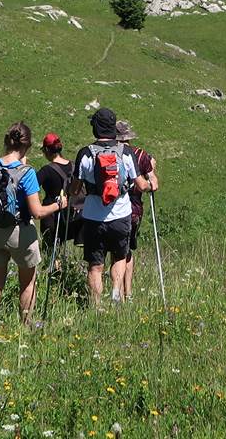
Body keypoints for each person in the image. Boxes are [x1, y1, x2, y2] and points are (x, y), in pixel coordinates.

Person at [0, 122, 65, 329]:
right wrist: (59, 204)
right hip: (19, 230)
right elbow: (37, 212)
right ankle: (26, 326)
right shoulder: (27, 172)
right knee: (27, 282)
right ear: (27, 146)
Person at [71, 108, 154, 307]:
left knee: (95, 265)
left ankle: (97, 307)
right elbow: (141, 185)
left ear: (96, 128)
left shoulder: (85, 154)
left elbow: (75, 190)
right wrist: (152, 184)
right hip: (121, 214)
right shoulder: (125, 152)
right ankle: (117, 296)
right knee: (119, 257)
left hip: (93, 217)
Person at [113, 120, 157, 302]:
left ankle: (116, 290)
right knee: (127, 251)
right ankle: (127, 293)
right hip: (134, 210)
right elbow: (153, 183)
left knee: (115, 252)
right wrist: (152, 173)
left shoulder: (108, 153)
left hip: (111, 209)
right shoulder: (140, 155)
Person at [35, 132, 77, 271]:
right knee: (62, 247)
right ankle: (62, 274)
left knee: (50, 251)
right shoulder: (73, 166)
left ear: (47, 150)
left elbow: (31, 186)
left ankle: (53, 276)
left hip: (51, 215)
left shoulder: (46, 170)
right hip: (71, 215)